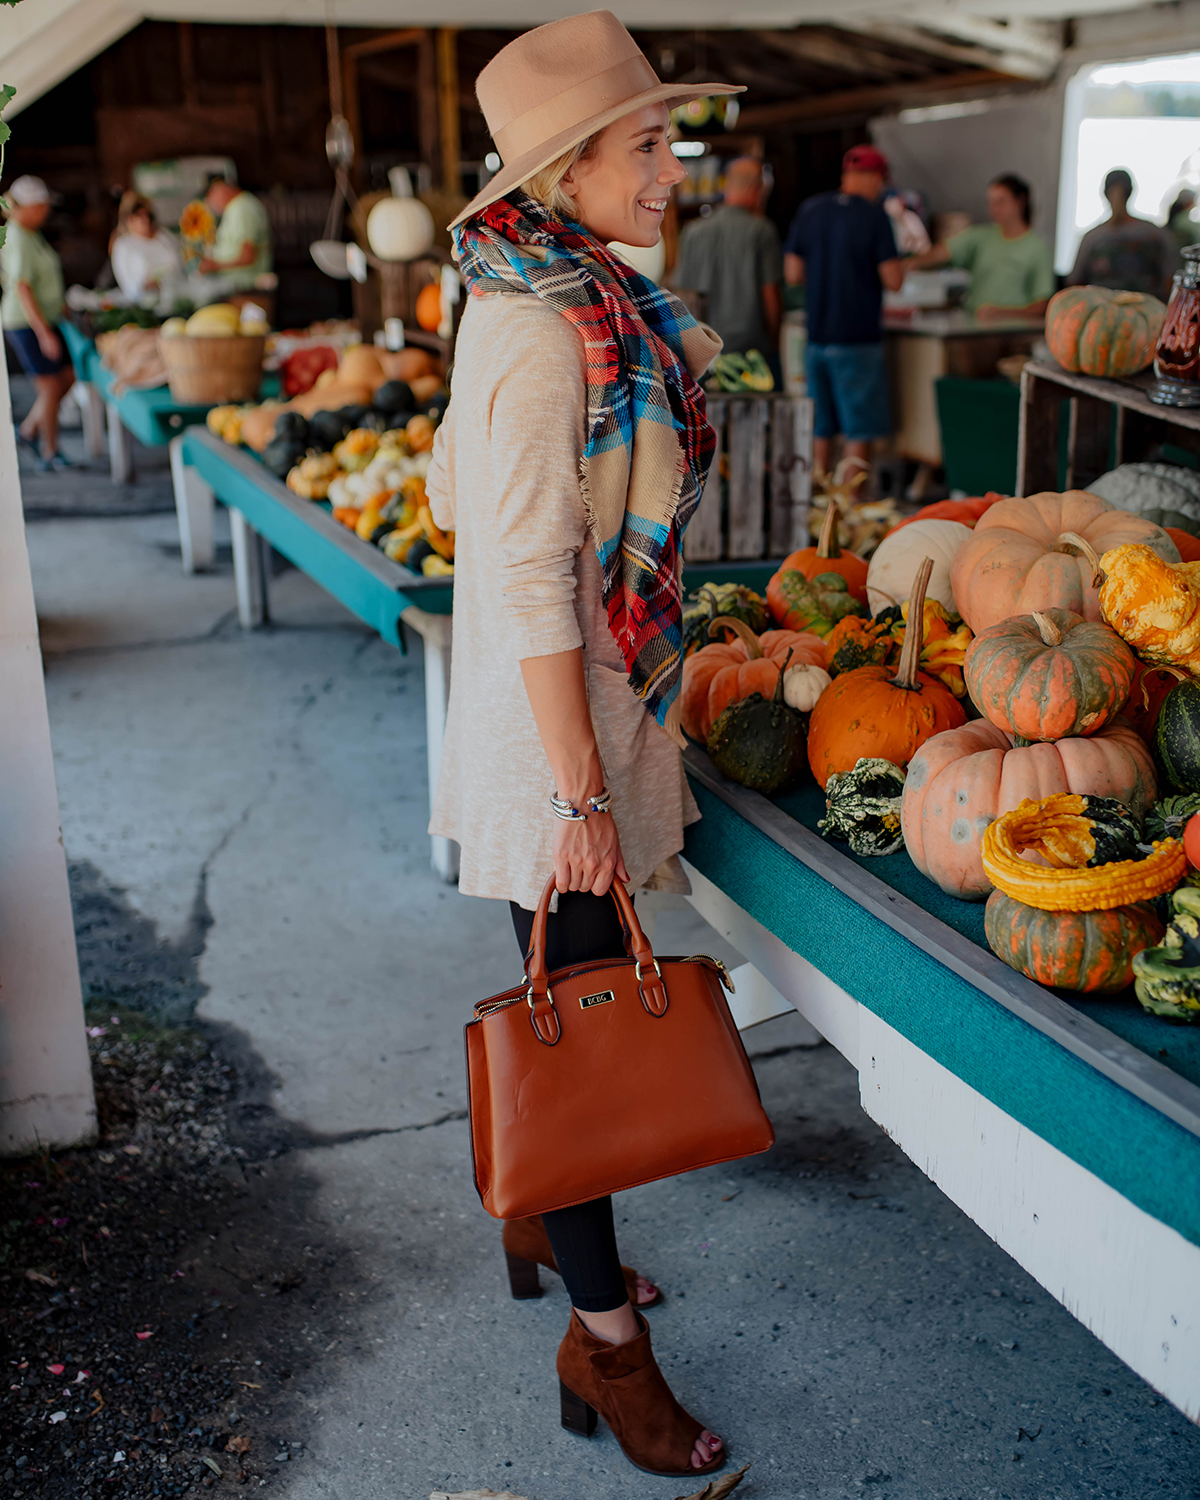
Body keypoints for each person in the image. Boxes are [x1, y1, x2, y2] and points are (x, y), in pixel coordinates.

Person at [427, 11, 742, 1480]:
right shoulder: (549, 335)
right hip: (552, 733)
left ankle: (537, 1226)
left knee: (560, 1000)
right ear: (566, 168)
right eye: (648, 144)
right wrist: (579, 797)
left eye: (670, 140)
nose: (673, 168)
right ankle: (608, 1349)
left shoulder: (550, 292)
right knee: (588, 1030)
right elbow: (520, 578)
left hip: (559, 713)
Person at [783, 144, 903, 478]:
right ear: (875, 177)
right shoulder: (875, 217)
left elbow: (792, 273)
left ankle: (817, 504)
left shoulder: (811, 210)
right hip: (857, 341)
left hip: (816, 338)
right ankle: (850, 510)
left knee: (821, 427)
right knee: (858, 430)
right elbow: (893, 280)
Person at [673, 156, 782, 357]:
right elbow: (771, 295)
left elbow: (681, 297)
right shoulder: (762, 231)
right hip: (751, 351)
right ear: (758, 190)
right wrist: (776, 343)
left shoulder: (693, 231)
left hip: (704, 348)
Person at [1, 175, 74, 471]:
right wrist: (44, 333)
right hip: (26, 323)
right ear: (29, 207)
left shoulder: (32, 234)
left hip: (47, 318)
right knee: (49, 387)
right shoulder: (18, 236)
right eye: (42, 206)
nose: (46, 211)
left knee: (66, 378)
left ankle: (28, 430)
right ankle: (50, 451)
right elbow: (22, 287)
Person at [911, 173, 1055, 321]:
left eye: (1001, 202)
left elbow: (1042, 306)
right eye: (990, 202)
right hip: (974, 328)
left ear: (1020, 202)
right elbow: (944, 252)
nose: (994, 209)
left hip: (1013, 335)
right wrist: (909, 262)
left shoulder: (1037, 248)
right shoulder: (981, 237)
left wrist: (1002, 313)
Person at [1067, 169, 1175, 300]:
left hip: (1104, 313)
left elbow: (1074, 287)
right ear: (1131, 192)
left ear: (1104, 194)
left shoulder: (1093, 238)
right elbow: (1171, 282)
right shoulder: (1155, 233)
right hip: (1147, 313)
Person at [196, 176, 271, 291]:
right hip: (233, 283)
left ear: (220, 189)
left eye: (209, 196)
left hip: (244, 286)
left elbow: (248, 256)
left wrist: (215, 265)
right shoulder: (236, 207)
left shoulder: (242, 208)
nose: (209, 203)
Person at [109, 190, 182, 302]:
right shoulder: (123, 245)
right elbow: (128, 287)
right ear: (129, 218)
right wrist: (148, 286)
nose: (145, 219)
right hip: (144, 302)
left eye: (147, 214)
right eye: (139, 215)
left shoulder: (164, 236)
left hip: (175, 296)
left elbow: (181, 264)